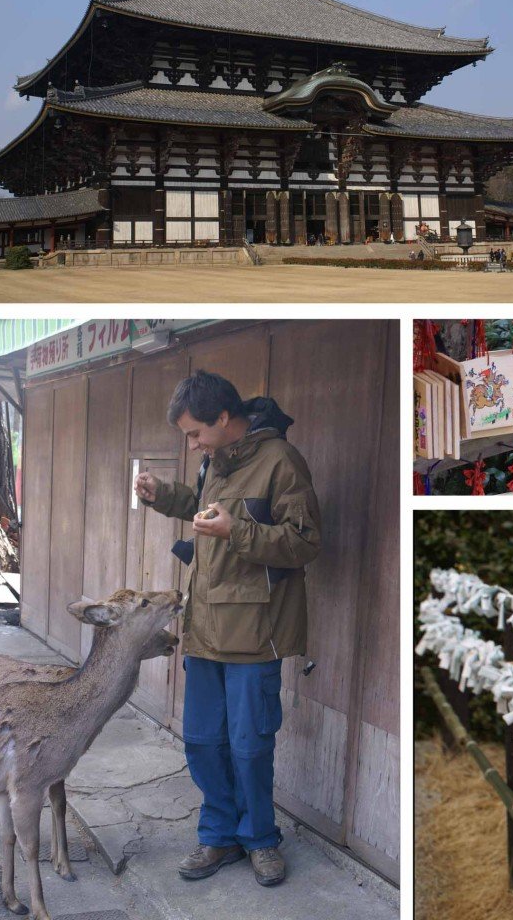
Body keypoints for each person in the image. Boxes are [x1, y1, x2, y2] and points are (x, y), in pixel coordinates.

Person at [134, 371, 321, 890]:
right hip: (204, 629)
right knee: (201, 744)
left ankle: (260, 840)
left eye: (195, 433)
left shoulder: (281, 462)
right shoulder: (215, 462)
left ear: (223, 418)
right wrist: (161, 494)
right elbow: (202, 512)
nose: (192, 443)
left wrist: (234, 531)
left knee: (249, 747)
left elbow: (305, 543)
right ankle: (218, 834)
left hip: (255, 636)